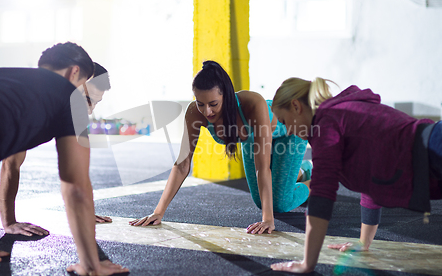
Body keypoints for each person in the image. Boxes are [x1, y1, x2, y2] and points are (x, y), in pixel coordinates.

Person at [0, 42, 128, 276]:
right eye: (86, 95)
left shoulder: (2, 79)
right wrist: (90, 265)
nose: (86, 108)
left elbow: (11, 165)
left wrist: (7, 224)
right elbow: (75, 186)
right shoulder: (67, 95)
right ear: (74, 72)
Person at [269, 77, 442, 274]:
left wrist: (307, 263)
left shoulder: (325, 123)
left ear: (296, 106)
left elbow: (321, 195)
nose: (288, 131)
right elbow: (371, 178)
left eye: (284, 121)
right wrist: (364, 242)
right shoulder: (340, 113)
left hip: (434, 149)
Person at [129, 61, 311, 234]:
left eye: (213, 104)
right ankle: (299, 172)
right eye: (201, 104)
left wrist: (267, 219)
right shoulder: (194, 113)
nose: (207, 112)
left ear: (226, 95)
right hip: (251, 140)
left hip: (289, 131)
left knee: (279, 204)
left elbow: (262, 168)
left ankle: (313, 177)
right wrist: (158, 213)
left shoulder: (253, 104)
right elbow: (182, 164)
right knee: (260, 201)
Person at [0, 62, 113, 238]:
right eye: (88, 100)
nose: (90, 110)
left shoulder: (71, 114)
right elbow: (10, 165)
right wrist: (9, 223)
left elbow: (74, 170)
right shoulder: (35, 106)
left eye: (96, 103)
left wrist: (83, 209)